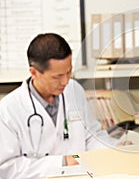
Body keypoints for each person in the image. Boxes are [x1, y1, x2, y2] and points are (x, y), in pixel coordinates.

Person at [0, 33, 128, 178]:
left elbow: (91, 137)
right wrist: (61, 162)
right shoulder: (8, 110)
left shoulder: (73, 90)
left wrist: (114, 149)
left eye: (68, 72)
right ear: (34, 72)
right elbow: (7, 168)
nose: (65, 81)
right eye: (57, 76)